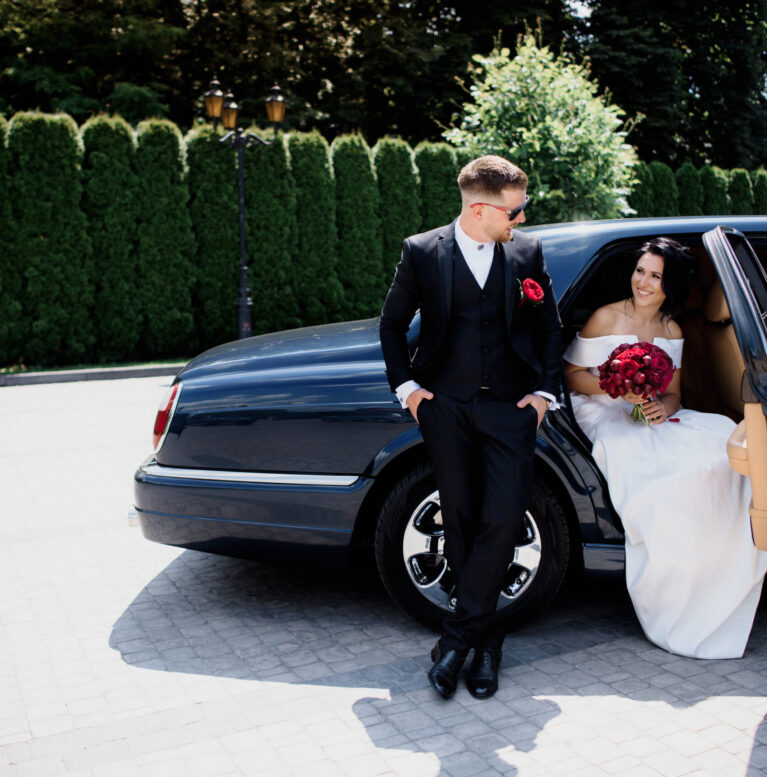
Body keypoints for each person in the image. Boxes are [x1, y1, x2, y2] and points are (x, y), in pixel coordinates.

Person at [379, 155, 562, 698]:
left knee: (503, 518)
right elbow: (392, 325)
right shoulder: (421, 251)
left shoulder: (525, 252)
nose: (522, 219)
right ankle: (486, 646)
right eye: (516, 210)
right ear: (481, 209)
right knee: (459, 519)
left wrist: (543, 394)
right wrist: (408, 390)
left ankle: (456, 639)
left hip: (510, 408)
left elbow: (548, 325)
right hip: (447, 407)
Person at [564, 236, 767, 659]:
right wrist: (616, 387)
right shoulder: (605, 317)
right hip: (600, 409)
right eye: (640, 271)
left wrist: (658, 407)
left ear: (670, 284)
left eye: (655, 276)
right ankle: (668, 581)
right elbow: (570, 375)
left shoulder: (671, 329)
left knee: (716, 443)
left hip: (646, 412)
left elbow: (674, 394)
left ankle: (714, 569)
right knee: (654, 469)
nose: (643, 281)